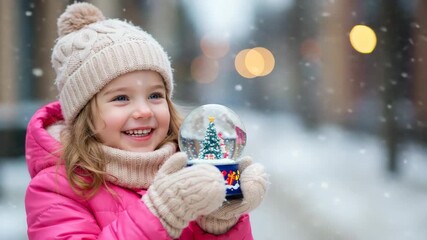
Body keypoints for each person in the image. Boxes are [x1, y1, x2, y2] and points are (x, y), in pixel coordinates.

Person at [25, 2, 268, 239]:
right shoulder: (56, 188)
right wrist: (160, 212)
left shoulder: (188, 170)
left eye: (154, 95)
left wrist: (219, 225)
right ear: (84, 115)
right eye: (121, 98)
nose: (144, 111)